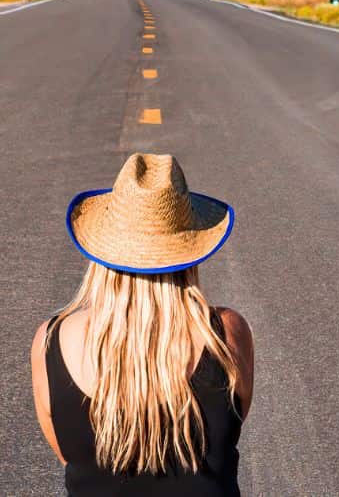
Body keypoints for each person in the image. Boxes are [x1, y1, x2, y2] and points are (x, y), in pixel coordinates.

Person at [31, 153, 254, 496]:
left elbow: (69, 456)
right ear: (190, 249)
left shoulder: (51, 341)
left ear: (102, 253)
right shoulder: (226, 335)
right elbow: (227, 434)